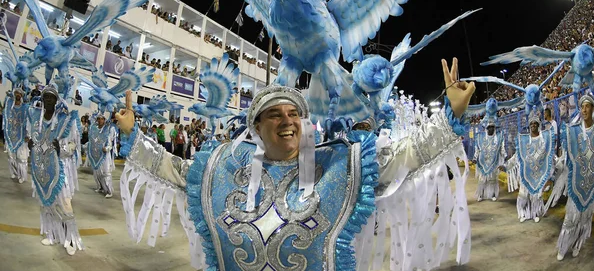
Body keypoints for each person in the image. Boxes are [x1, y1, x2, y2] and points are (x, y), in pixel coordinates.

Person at [116, 57, 476, 271]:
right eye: (274, 115)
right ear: (256, 126)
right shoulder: (223, 166)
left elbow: (403, 160)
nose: (286, 121)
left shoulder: (338, 165)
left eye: (293, 114)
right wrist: (134, 135)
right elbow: (175, 172)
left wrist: (449, 117)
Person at [26, 84, 83, 255]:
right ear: (42, 99)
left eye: (52, 97)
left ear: (56, 100)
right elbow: (30, 135)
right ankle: (52, 235)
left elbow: (73, 144)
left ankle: (71, 238)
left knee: (65, 205)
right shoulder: (36, 117)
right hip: (40, 170)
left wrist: (62, 149)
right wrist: (29, 142)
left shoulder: (64, 120)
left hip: (60, 170)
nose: (48, 99)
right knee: (46, 206)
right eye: (46, 97)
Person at [554, 94, 594, 261]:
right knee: (571, 217)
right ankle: (563, 246)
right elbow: (566, 157)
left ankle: (577, 244)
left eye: (588, 106)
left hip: (593, 183)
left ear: (593, 109)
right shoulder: (573, 132)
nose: (584, 109)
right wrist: (557, 165)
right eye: (582, 107)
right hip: (576, 183)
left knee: (585, 219)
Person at [506, 110, 555, 223]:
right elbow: (517, 156)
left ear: (538, 125)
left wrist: (552, 173)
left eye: (535, 123)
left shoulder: (543, 140)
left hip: (538, 173)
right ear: (529, 126)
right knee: (523, 194)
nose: (533, 125)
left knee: (536, 196)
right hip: (526, 172)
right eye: (531, 123)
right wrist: (507, 165)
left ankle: (535, 213)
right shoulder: (523, 140)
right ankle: (523, 213)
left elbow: (549, 155)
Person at [85, 113, 118, 198]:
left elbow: (111, 144)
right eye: (98, 119)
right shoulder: (94, 129)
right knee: (97, 173)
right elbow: (92, 141)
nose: (100, 121)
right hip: (96, 155)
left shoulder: (108, 130)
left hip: (105, 156)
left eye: (102, 119)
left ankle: (109, 190)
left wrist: (106, 148)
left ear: (104, 120)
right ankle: (100, 187)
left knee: (106, 173)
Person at [473, 118, 505, 202]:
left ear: (494, 128)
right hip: (482, 162)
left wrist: (504, 159)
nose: (490, 129)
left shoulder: (499, 138)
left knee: (493, 179)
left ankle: (493, 194)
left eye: (492, 127)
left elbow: (502, 150)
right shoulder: (480, 137)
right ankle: (481, 194)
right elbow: (477, 150)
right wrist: (475, 158)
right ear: (486, 128)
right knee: (482, 179)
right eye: (489, 127)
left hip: (494, 162)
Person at [3, 88, 29, 183]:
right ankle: (14, 173)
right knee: (11, 157)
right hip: (10, 136)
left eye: (19, 94)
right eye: (16, 93)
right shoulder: (9, 106)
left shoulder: (25, 108)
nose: (18, 95)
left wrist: (28, 135)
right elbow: (6, 119)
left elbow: (29, 121)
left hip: (21, 136)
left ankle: (22, 175)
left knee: (21, 158)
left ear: (21, 96)